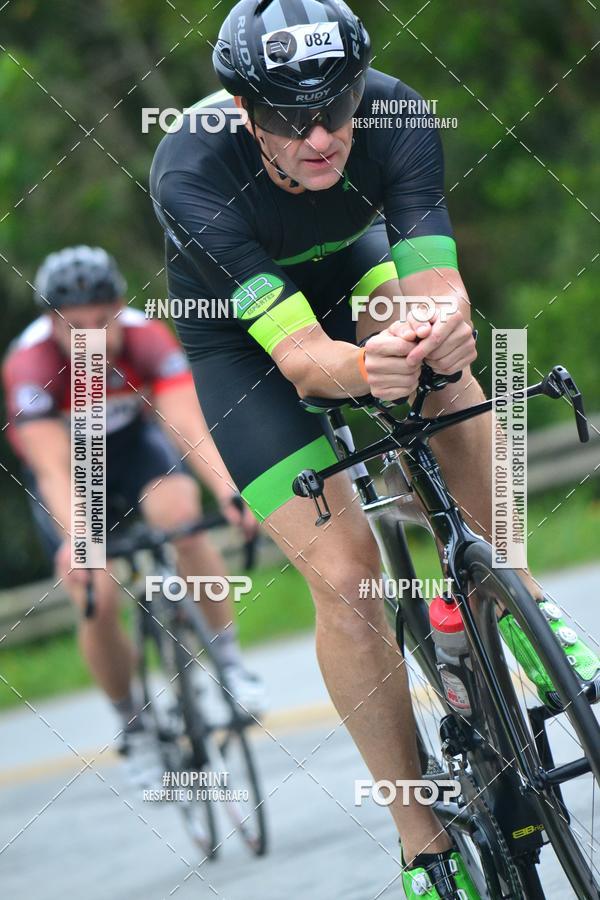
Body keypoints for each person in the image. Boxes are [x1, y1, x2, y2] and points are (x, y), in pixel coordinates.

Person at [150, 1, 600, 895]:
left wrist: (444, 333)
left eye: (337, 105)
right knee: (351, 578)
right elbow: (308, 365)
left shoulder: (395, 114)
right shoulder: (191, 168)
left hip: (359, 274)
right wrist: (370, 366)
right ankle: (421, 839)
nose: (320, 136)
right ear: (245, 110)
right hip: (248, 348)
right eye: (288, 116)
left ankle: (511, 590)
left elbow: (436, 284)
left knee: (435, 352)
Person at [2, 245, 265, 787]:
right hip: (77, 476)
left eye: (103, 323)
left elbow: (188, 428)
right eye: (75, 329)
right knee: (91, 584)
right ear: (49, 324)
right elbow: (53, 470)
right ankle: (134, 724)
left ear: (122, 308)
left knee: (182, 514)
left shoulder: (147, 339)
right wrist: (80, 541)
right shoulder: (30, 366)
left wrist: (229, 493)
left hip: (135, 451)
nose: (92, 341)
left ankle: (232, 665)